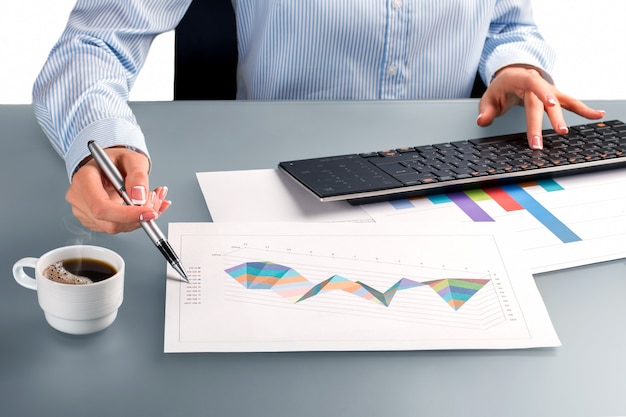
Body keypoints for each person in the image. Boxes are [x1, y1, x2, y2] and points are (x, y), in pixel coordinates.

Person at [33, 0, 605, 234]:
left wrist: (513, 64)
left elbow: (508, 23)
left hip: (453, 185)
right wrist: (96, 145)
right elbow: (95, 44)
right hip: (276, 190)